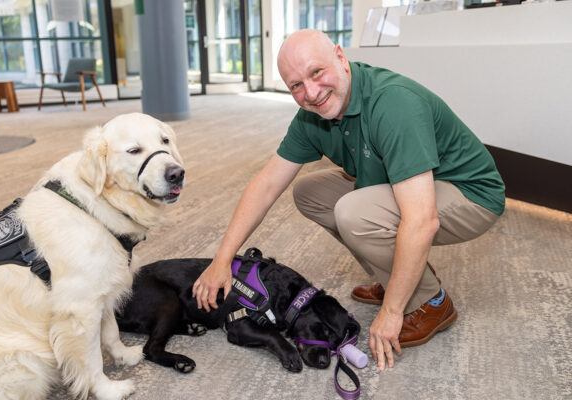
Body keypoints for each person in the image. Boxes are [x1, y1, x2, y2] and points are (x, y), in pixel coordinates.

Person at [192, 29, 505, 371]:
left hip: (469, 193)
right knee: (309, 192)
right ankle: (400, 275)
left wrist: (392, 311)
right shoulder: (312, 115)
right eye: (296, 85)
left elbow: (422, 220)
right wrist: (222, 260)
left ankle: (431, 301)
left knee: (354, 212)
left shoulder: (392, 103)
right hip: (410, 186)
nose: (311, 93)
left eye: (316, 72)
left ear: (341, 58)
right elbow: (267, 184)